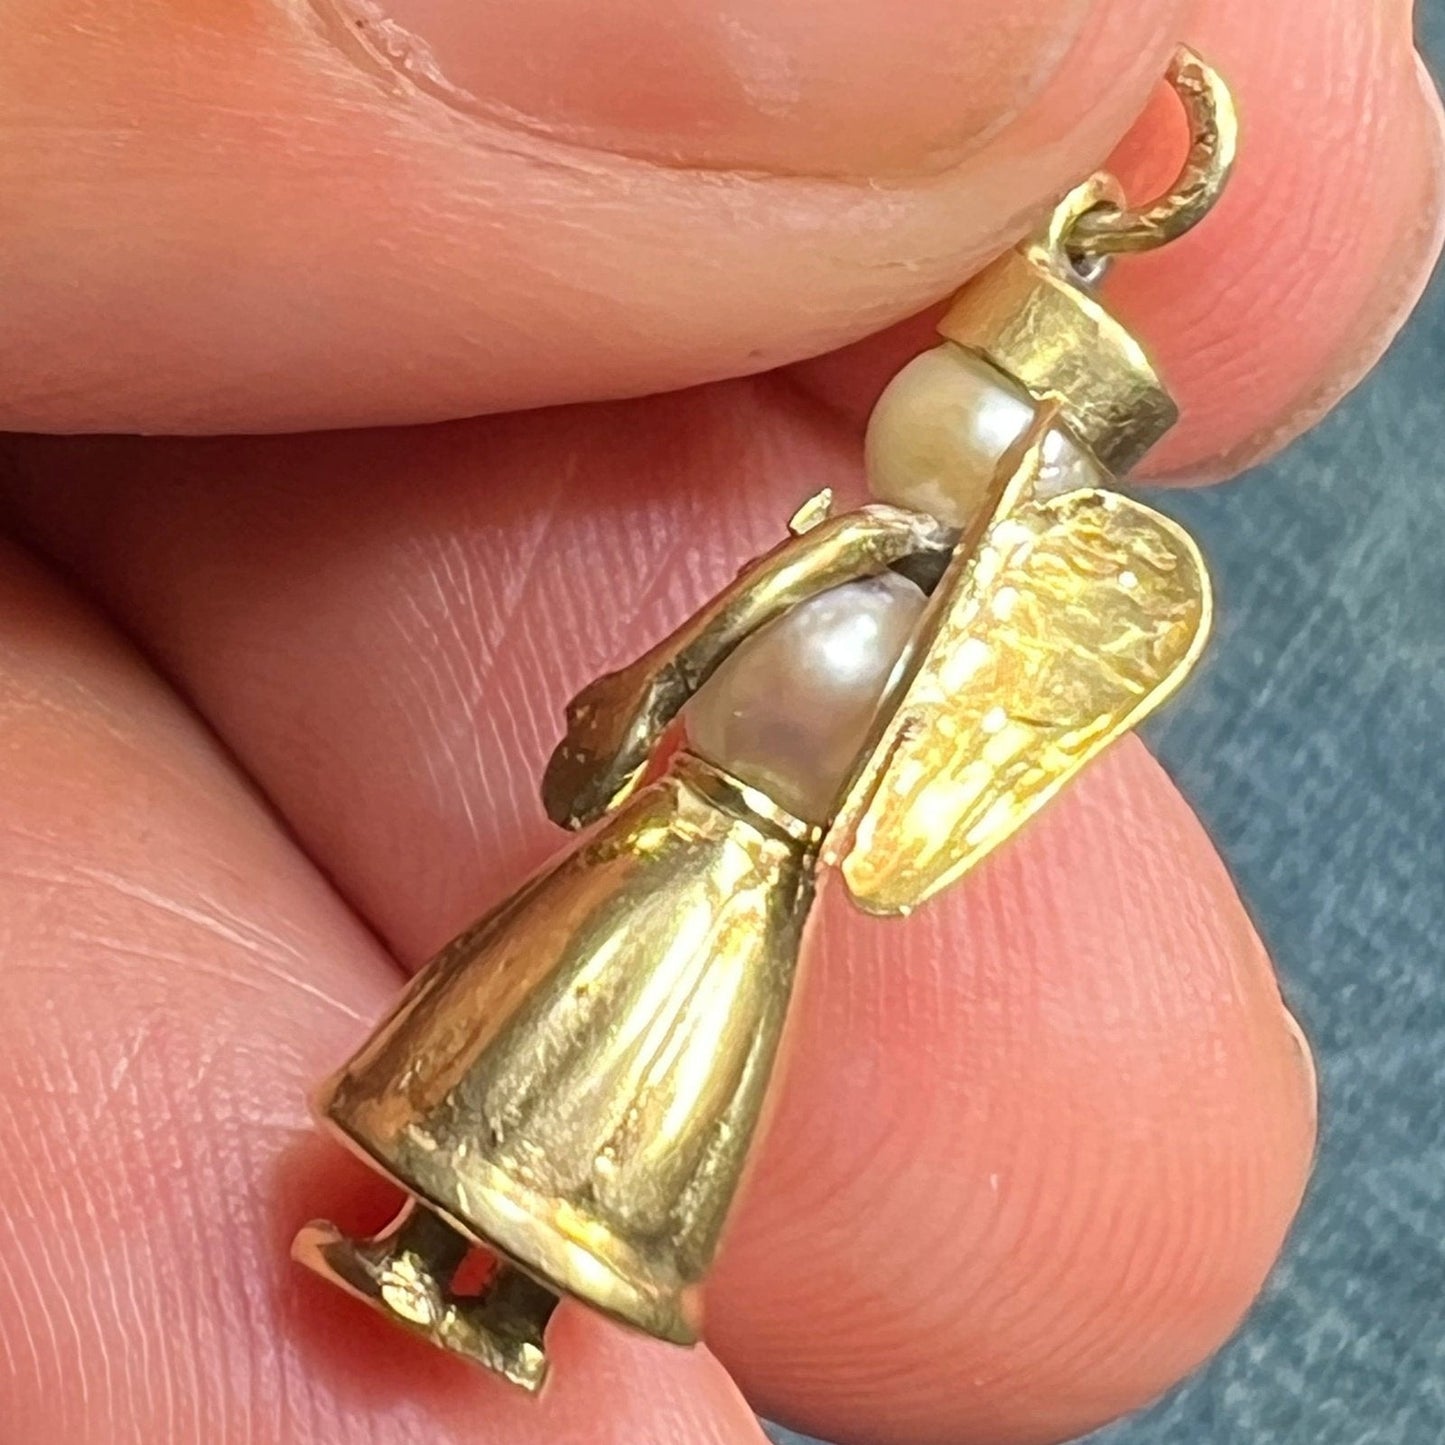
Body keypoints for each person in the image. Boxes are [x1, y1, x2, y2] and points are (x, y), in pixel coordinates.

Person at [0, 3, 1437, 1443]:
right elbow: (754, 643)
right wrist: (653, 703)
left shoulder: (887, 569)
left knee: (579, 1051)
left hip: (714, 850)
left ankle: (483, 1272)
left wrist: (648, 691)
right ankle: (489, 1280)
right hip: (731, 867)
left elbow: (728, 633)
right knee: (605, 1065)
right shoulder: (907, 578)